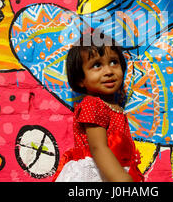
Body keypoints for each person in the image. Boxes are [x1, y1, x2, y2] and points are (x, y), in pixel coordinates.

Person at [53, 32, 144, 182]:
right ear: (80, 79)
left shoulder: (116, 108)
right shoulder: (93, 104)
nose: (109, 71)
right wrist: (121, 178)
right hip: (96, 173)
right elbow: (98, 147)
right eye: (97, 65)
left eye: (114, 62)